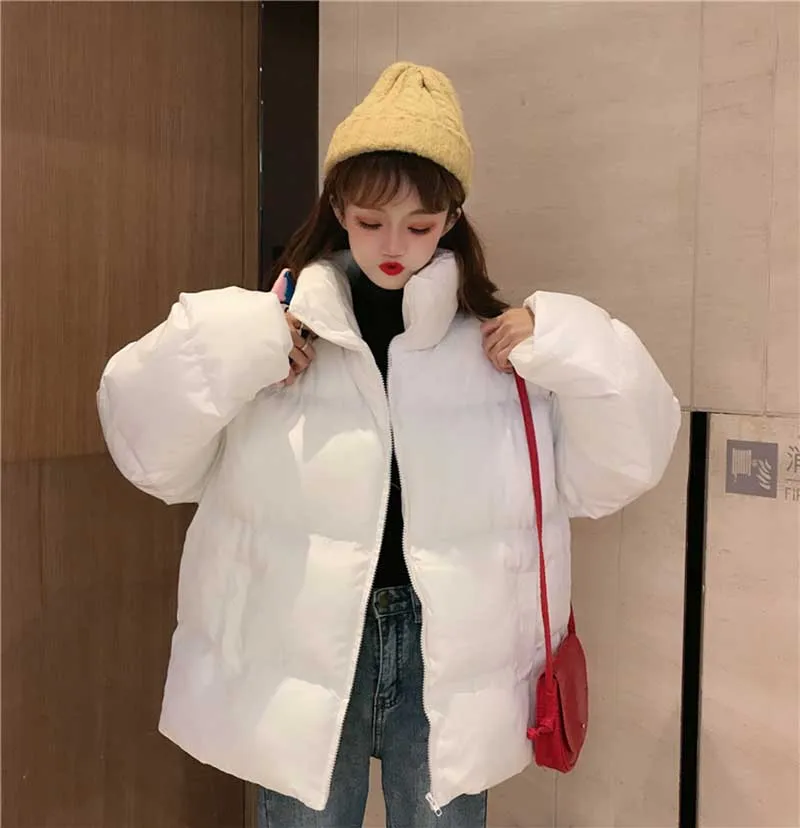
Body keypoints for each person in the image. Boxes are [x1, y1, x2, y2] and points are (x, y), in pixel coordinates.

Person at [97, 62, 681, 828]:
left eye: (420, 223)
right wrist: (235, 342)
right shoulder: (272, 339)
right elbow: (146, 450)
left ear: (452, 216)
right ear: (339, 207)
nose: (394, 245)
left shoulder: (499, 351)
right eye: (371, 221)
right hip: (300, 644)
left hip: (452, 650)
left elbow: (624, 466)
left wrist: (566, 338)